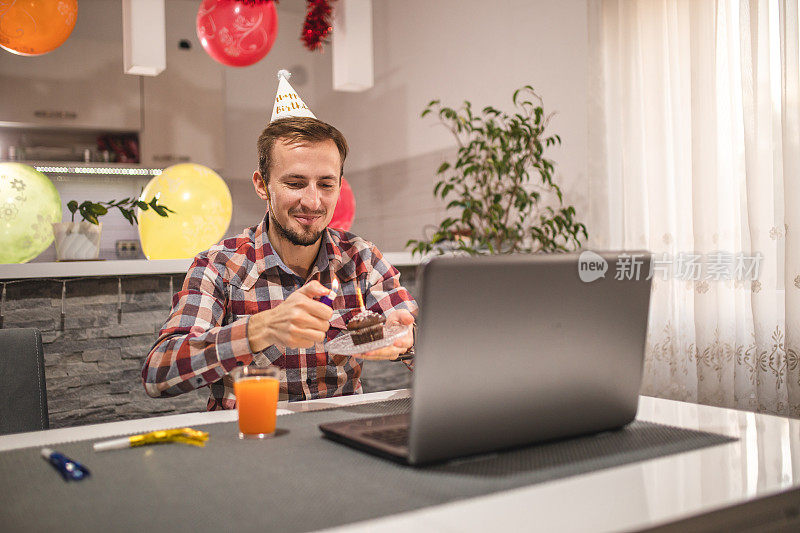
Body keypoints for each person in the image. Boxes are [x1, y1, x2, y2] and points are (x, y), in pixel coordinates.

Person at [141, 72, 417, 409]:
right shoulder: (221, 266)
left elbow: (425, 342)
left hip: (341, 440)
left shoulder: (362, 260)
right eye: (296, 183)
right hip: (252, 444)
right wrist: (259, 330)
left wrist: (410, 340)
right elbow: (158, 374)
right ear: (261, 185)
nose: (313, 202)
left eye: (326, 185)